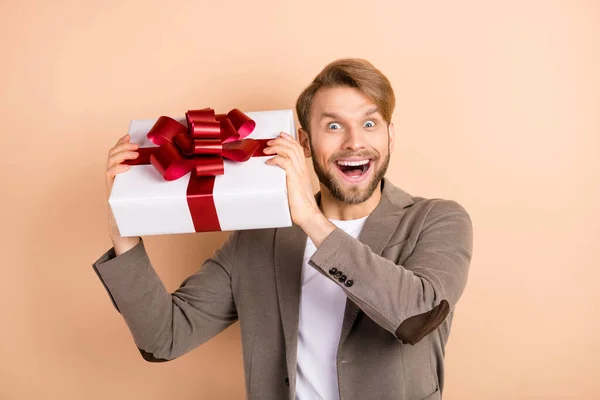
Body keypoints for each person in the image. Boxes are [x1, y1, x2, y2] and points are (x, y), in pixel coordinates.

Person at [93, 58, 473, 400]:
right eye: (334, 126)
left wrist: (310, 217)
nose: (355, 141)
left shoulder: (437, 220)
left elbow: (416, 317)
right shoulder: (258, 237)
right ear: (305, 142)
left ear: (389, 136)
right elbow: (165, 338)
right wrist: (124, 229)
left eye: (369, 124)